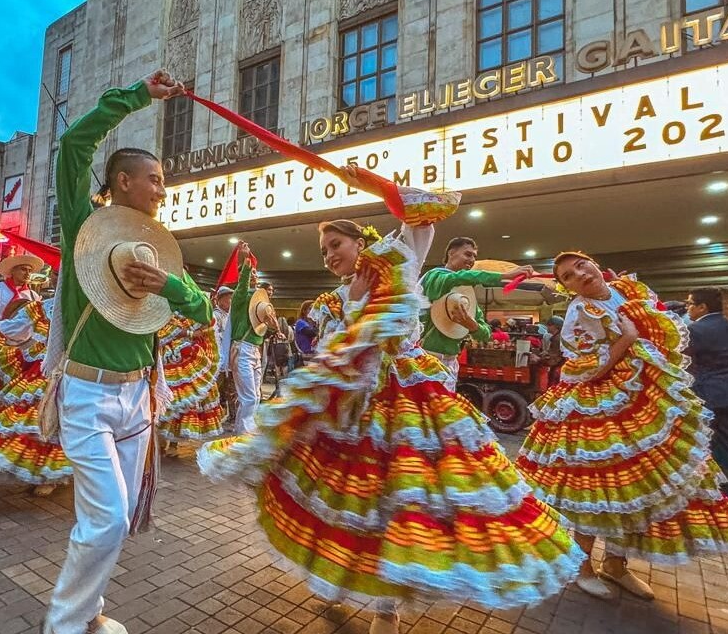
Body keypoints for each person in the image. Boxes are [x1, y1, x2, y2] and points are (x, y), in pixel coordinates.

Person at [200, 195, 583, 634]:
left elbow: (421, 228)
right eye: (324, 251)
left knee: (399, 498)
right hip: (351, 404)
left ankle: (386, 607)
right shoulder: (338, 295)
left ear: (360, 241)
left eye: (335, 244)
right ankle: (343, 574)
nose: (329, 256)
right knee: (349, 498)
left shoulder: (394, 259)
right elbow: (329, 343)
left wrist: (401, 200)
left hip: (406, 400)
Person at [41, 71, 211, 634]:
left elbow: (204, 313)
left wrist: (169, 286)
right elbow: (74, 145)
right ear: (122, 181)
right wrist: (138, 96)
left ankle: (88, 614)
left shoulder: (158, 251)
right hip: (86, 395)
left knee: (111, 519)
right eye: (155, 179)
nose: (164, 189)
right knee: (107, 519)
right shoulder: (81, 229)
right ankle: (64, 626)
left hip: (139, 399)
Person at [517, 255, 728, 602]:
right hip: (595, 407)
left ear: (595, 265)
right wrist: (626, 339)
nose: (579, 275)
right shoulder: (580, 313)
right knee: (595, 487)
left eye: (582, 266)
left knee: (633, 490)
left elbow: (662, 333)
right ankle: (582, 567)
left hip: (642, 400)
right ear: (565, 288)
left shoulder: (625, 291)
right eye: (568, 276)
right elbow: (585, 369)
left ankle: (616, 564)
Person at [0, 297, 73, 495]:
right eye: (58, 275)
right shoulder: (41, 308)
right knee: (37, 422)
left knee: (69, 422)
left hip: (76, 370)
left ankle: (63, 472)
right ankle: (46, 474)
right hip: (43, 370)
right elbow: (9, 327)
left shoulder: (88, 307)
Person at [419, 237, 531, 391]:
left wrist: (471, 325)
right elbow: (458, 277)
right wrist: (503, 276)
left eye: (474, 256)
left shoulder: (466, 296)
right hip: (424, 359)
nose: (471, 260)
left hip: (451, 363)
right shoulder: (436, 277)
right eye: (468, 254)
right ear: (451, 253)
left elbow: (486, 334)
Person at [683, 286, 728, 508]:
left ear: (702, 307)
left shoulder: (695, 330)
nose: (688, 308)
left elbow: (684, 360)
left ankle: (725, 502)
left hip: (709, 396)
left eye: (690, 304)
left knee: (713, 450)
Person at [157, 312, 225, 453]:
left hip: (187, 355)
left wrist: (194, 332)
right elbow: (161, 331)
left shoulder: (192, 306)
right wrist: (189, 332)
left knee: (185, 401)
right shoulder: (162, 306)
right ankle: (161, 440)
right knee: (167, 398)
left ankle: (173, 443)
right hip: (166, 354)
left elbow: (205, 321)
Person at [229, 243, 272, 434]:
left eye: (256, 273)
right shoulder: (238, 298)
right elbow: (243, 284)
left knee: (254, 396)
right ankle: (245, 436)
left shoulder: (259, 301)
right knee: (249, 398)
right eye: (252, 273)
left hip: (255, 350)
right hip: (243, 349)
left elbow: (262, 328)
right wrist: (246, 262)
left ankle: (241, 434)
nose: (255, 275)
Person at [0, 255, 43, 327]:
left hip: (22, 336)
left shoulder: (33, 295)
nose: (27, 273)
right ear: (13, 271)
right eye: (23, 269)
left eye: (30, 271)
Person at [212, 286, 236, 428]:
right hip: (219, 359)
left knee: (231, 389)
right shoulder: (216, 316)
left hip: (229, 358)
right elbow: (215, 336)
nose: (230, 301)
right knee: (217, 389)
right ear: (219, 300)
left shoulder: (230, 316)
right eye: (228, 298)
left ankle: (232, 416)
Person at [539, 315, 565, 385]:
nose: (547, 327)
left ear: (555, 326)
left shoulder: (557, 339)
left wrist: (539, 359)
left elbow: (554, 359)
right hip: (560, 368)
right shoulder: (557, 337)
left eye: (549, 325)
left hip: (558, 370)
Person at [291, 299, 317, 368]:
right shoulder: (300, 322)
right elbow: (312, 333)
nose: (313, 311)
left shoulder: (311, 324)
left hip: (313, 353)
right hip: (306, 354)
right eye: (310, 309)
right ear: (303, 311)